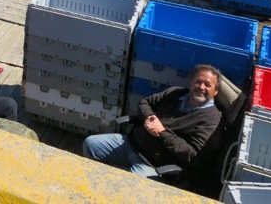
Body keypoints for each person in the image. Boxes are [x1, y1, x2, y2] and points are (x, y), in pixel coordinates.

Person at [82, 64, 222, 178]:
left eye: (207, 84)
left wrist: (162, 131)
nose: (201, 87)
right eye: (198, 81)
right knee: (90, 144)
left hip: (153, 165)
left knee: (126, 185)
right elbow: (144, 103)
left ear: (215, 91)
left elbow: (194, 156)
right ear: (191, 83)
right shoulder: (175, 92)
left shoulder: (212, 119)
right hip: (131, 144)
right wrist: (150, 117)